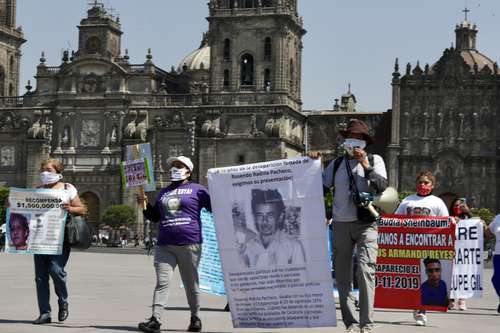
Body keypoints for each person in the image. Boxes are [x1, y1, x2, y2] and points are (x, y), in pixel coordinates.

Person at [317, 118, 388, 333]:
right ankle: (352, 323)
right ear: (344, 141)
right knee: (342, 276)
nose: (354, 142)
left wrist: (365, 166)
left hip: (367, 224)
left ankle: (367, 325)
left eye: (359, 138)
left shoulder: (376, 160)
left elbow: (382, 186)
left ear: (366, 142)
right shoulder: (337, 163)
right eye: (350, 138)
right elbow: (320, 187)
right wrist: (313, 164)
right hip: (340, 223)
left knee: (366, 272)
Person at [137, 156, 211, 333]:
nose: (174, 168)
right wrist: (144, 205)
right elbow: (155, 217)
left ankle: (195, 318)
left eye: (179, 165)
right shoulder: (164, 192)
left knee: (191, 283)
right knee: (162, 282)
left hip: (190, 243)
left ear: (188, 170)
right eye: (173, 166)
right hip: (165, 245)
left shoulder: (198, 190)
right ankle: (155, 319)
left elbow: (215, 206)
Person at [33, 158, 86, 324]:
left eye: (49, 170)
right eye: (43, 170)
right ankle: (45, 313)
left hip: (60, 239)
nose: (45, 173)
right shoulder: (37, 190)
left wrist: (70, 208)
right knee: (41, 278)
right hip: (40, 239)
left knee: (56, 271)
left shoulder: (67, 188)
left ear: (58, 172)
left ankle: (63, 302)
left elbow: (81, 209)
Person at [395, 171, 449, 326]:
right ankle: (416, 305)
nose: (422, 185)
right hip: (409, 245)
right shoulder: (407, 200)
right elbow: (396, 220)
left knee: (422, 277)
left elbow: (446, 223)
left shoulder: (437, 202)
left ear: (433, 185)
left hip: (429, 245)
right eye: (420, 182)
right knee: (412, 278)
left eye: (426, 182)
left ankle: (420, 310)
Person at [240, 189, 306, 268]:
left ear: (280, 217)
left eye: (270, 215)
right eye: (260, 215)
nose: (265, 221)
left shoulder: (293, 247)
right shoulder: (247, 248)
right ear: (254, 217)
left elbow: (301, 278)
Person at [448, 197, 474, 311]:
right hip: (451, 250)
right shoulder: (448, 217)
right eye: (455, 205)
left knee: (463, 275)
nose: (457, 207)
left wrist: (468, 212)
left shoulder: (468, 217)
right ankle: (451, 300)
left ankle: (462, 300)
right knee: (451, 275)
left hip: (464, 251)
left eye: (460, 205)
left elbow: (475, 225)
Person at [485, 214, 500, 314]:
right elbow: (489, 233)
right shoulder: (498, 217)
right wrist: (482, 225)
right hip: (499, 253)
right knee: (496, 279)